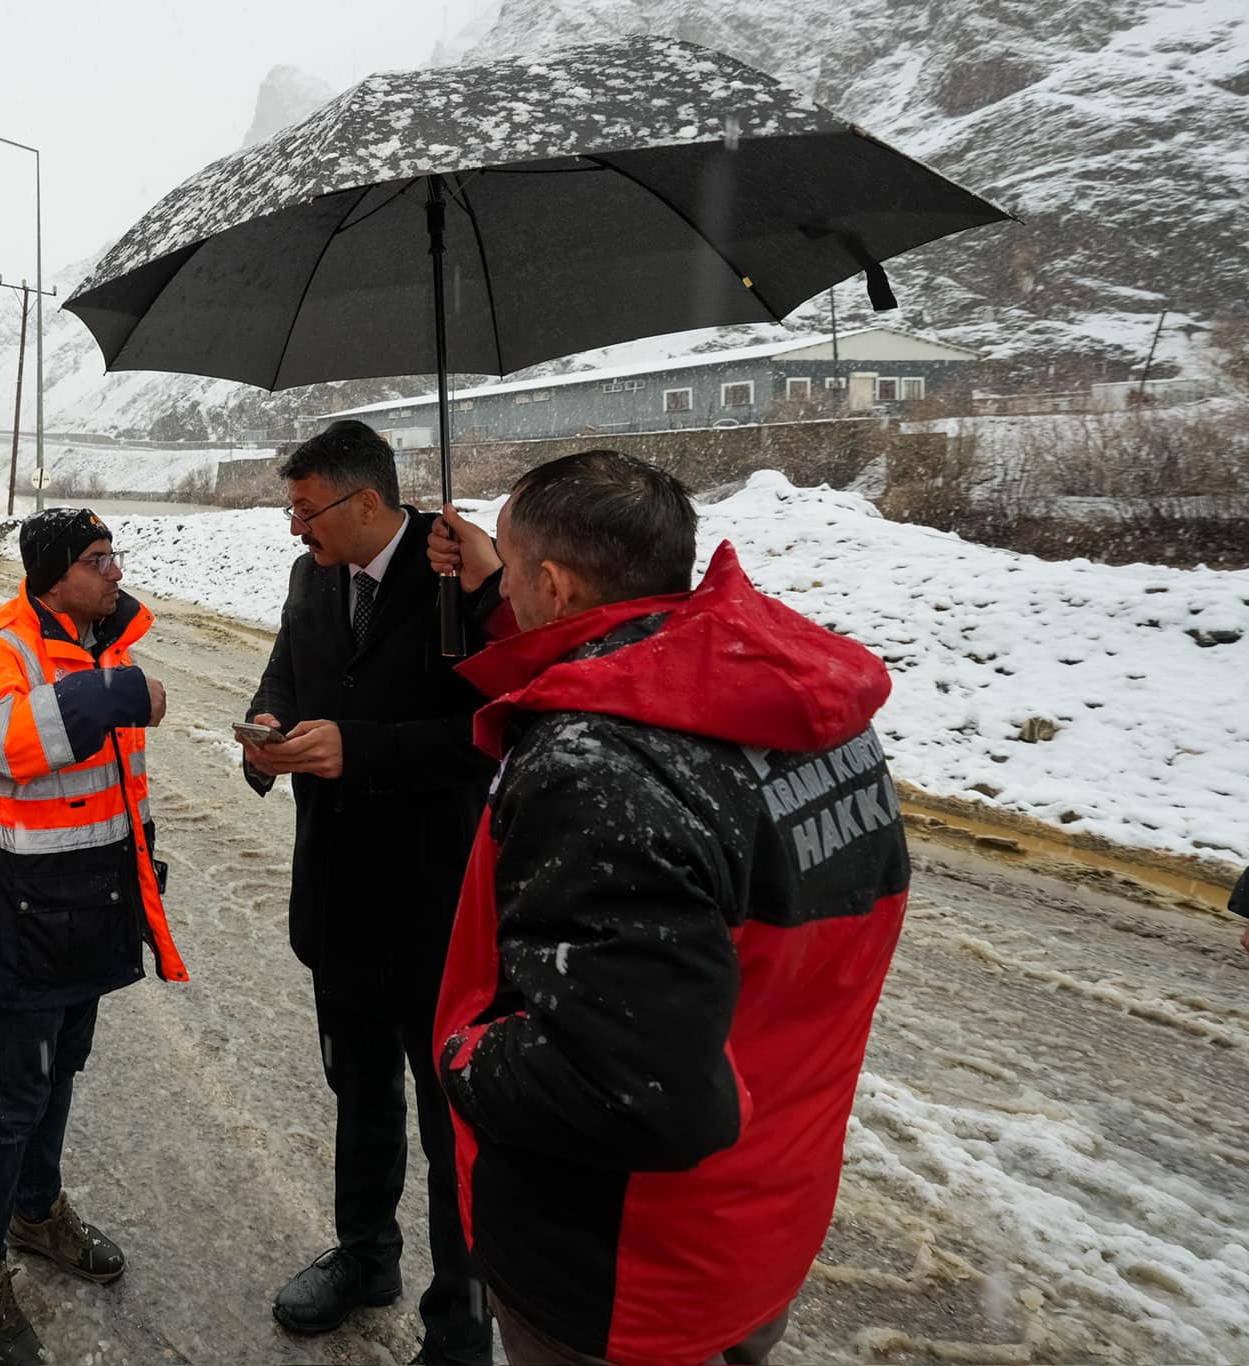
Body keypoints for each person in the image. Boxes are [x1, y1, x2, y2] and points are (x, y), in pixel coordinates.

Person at [428, 451, 911, 1366]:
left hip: (624, 1266)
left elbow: (629, 1089)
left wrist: (464, 1051)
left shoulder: (599, 765)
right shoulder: (799, 709)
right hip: (765, 1210)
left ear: (556, 583)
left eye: (518, 572)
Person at [242, 420, 494, 1366]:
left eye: (305, 511)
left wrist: (362, 749)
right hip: (339, 895)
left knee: (450, 1119)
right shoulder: (315, 575)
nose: (294, 529)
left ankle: (462, 1316)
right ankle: (365, 1256)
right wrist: (268, 724)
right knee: (359, 1091)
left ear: (368, 504)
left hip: (437, 906)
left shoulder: (453, 574)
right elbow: (290, 665)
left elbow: (489, 731)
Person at [0, 506, 188, 1366]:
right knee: (15, 1094)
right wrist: (117, 693)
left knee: (61, 1074)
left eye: (114, 555)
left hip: (91, 910)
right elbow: (6, 740)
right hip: (24, 918)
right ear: (53, 576)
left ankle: (36, 1210)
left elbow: (122, 784)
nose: (115, 571)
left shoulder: (100, 642)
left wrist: (141, 870)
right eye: (98, 559)